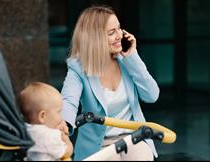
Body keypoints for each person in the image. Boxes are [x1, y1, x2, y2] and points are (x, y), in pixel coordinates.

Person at [61, 6, 159, 161]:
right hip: (99, 144)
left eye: (119, 28)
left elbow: (152, 95)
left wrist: (132, 57)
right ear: (95, 38)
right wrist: (64, 124)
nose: (120, 35)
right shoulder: (78, 68)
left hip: (133, 137)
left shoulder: (126, 61)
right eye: (112, 32)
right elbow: (68, 101)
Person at [18, 82, 73, 161]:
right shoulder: (50, 136)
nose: (61, 117)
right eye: (58, 112)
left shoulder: (25, 130)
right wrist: (65, 137)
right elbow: (67, 153)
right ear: (42, 116)